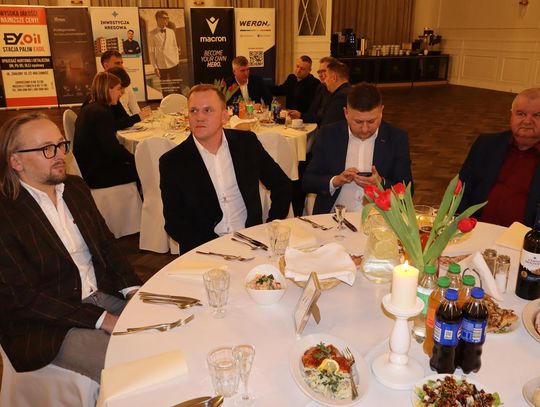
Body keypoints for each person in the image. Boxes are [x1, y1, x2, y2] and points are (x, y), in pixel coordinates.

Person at [0, 113, 141, 383]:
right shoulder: (6, 213)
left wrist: (133, 290)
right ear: (16, 161)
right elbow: (23, 297)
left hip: (102, 293)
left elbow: (107, 245)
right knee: (128, 364)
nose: (59, 154)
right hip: (47, 323)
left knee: (169, 329)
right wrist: (102, 319)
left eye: (61, 144)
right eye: (46, 148)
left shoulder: (75, 188)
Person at [160, 84, 291, 254]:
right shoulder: (173, 161)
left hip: (251, 243)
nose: (199, 117)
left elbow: (281, 184)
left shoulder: (247, 144)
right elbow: (174, 221)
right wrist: (210, 249)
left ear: (224, 116)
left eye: (208, 110)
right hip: (203, 250)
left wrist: (271, 226)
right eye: (193, 111)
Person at [303, 82, 413, 214]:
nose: (365, 129)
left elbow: (407, 190)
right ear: (346, 113)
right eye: (358, 122)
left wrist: (380, 182)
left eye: (371, 121)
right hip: (334, 217)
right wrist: (335, 181)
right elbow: (308, 181)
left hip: (379, 218)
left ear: (381, 111)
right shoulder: (329, 134)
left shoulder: (396, 138)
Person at [458, 87, 540, 227]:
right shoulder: (486, 144)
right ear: (511, 115)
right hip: (475, 230)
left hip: (525, 237)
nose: (527, 121)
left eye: (537, 115)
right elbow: (460, 191)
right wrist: (465, 225)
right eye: (521, 114)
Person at [74, 72, 139, 189]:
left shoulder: (90, 108)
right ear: (108, 89)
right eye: (118, 89)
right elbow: (114, 150)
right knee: (145, 168)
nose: (121, 93)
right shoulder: (102, 113)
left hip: (87, 169)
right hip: (96, 175)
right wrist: (137, 159)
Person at [294, 56, 338, 124]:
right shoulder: (321, 87)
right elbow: (312, 111)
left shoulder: (340, 93)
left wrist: (302, 116)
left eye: (323, 71)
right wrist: (300, 116)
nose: (320, 75)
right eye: (319, 72)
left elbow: (325, 118)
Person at [148, 10, 183, 96]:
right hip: (162, 65)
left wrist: (177, 60)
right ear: (158, 19)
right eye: (164, 18)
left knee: (177, 86)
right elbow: (151, 52)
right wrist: (155, 67)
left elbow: (175, 46)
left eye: (167, 18)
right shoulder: (152, 34)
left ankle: (179, 102)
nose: (166, 20)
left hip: (173, 63)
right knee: (165, 88)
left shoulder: (171, 32)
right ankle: (167, 103)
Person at [100, 50, 141, 116]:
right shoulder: (101, 87)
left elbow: (135, 109)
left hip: (129, 120)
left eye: (122, 63)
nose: (122, 67)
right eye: (117, 63)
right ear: (106, 66)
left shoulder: (125, 82)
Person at [320, 60, 351, 126]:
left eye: (326, 76)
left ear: (334, 77)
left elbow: (328, 126)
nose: (325, 81)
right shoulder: (351, 91)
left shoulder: (340, 97)